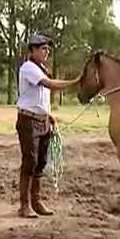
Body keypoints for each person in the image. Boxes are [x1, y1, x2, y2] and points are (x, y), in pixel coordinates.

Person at [15, 34, 79, 218]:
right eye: (43, 48)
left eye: (47, 49)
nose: (46, 52)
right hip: (28, 121)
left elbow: (40, 97)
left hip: (41, 121)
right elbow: (49, 85)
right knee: (30, 162)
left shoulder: (41, 68)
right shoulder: (29, 68)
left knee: (40, 162)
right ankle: (24, 205)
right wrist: (74, 82)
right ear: (32, 51)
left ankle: (36, 202)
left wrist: (48, 115)